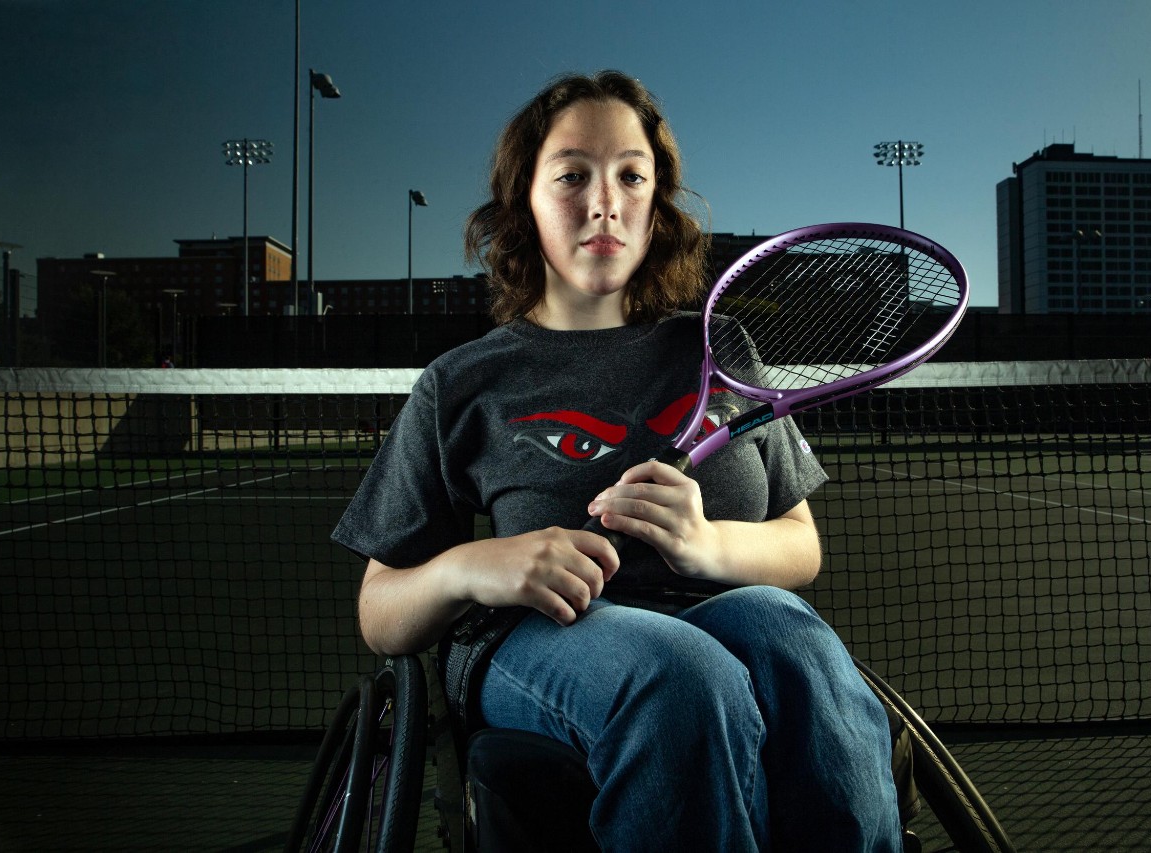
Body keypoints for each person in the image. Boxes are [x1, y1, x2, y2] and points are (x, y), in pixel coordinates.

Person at [332, 70, 900, 851]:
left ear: (655, 202)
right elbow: (379, 612)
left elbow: (800, 546)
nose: (605, 201)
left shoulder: (719, 349)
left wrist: (708, 545)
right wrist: (473, 564)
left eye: (632, 175)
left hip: (714, 615)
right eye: (572, 175)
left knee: (792, 639)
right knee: (680, 677)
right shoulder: (463, 383)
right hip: (534, 641)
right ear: (522, 204)